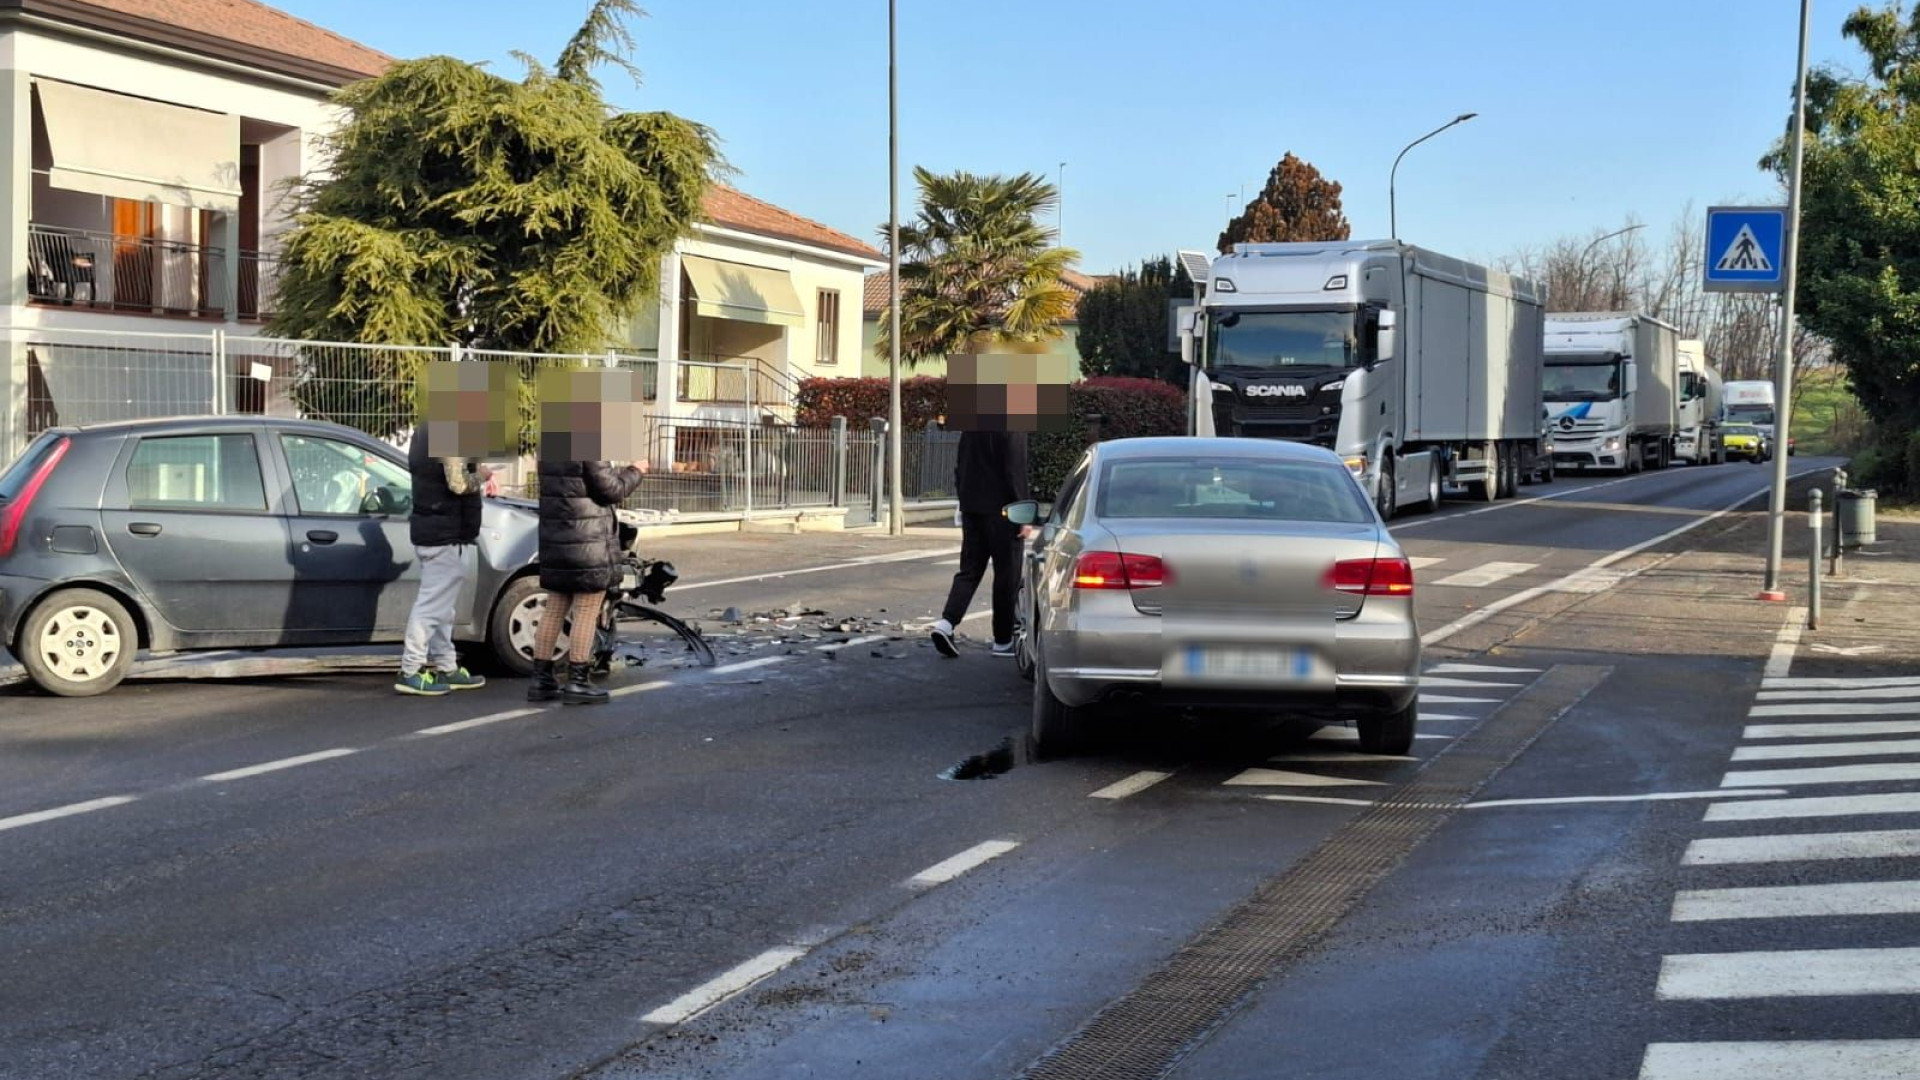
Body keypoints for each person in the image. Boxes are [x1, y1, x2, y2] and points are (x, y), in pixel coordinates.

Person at [528, 455, 648, 705]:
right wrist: (636, 470)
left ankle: (541, 680)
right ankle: (578, 680)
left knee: (554, 608)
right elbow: (611, 490)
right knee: (586, 609)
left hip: (557, 537)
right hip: (587, 540)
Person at [397, 437, 492, 695]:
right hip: (445, 532)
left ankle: (446, 666)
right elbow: (459, 484)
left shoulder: (426, 433)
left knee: (442, 608)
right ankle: (411, 670)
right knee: (431, 607)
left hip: (434, 528)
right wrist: (482, 475)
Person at [931, 429, 1034, 658]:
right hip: (1004, 512)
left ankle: (946, 623)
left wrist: (964, 500)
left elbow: (960, 465)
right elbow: (1015, 471)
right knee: (1007, 575)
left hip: (972, 508)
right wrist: (1025, 513)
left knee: (969, 570)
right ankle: (1002, 640)